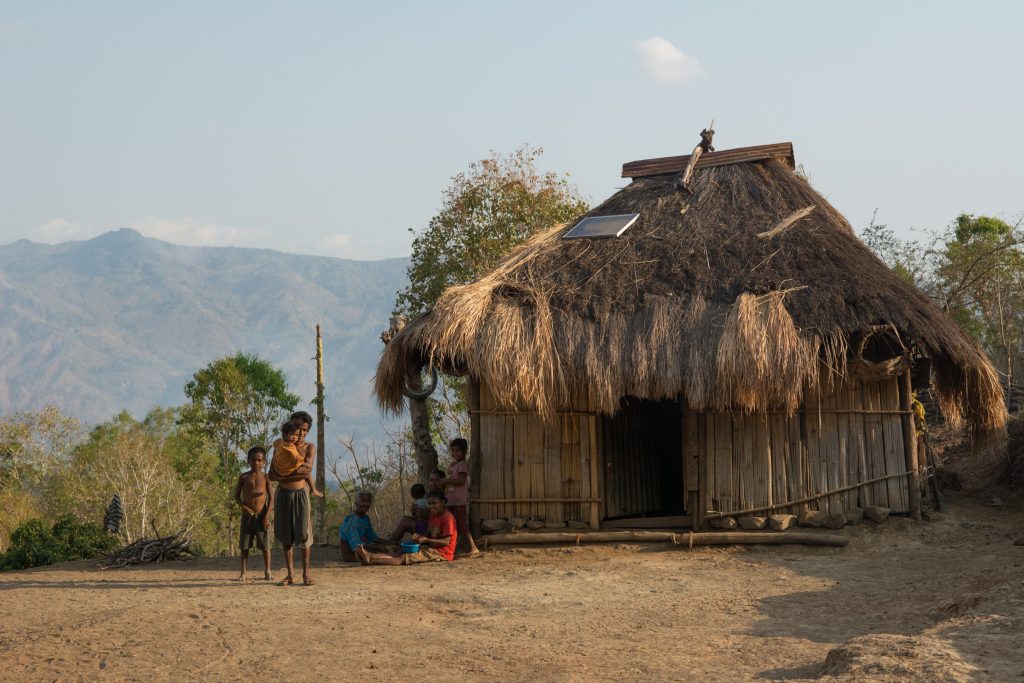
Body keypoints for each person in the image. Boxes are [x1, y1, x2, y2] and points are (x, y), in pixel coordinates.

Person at [268, 415, 318, 586]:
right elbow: (271, 474)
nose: (301, 433)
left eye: (305, 430)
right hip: (283, 494)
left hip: (300, 494)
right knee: (286, 535)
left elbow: (306, 473)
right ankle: (290, 574)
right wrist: (290, 475)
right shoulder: (280, 447)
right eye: (298, 429)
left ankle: (306, 575)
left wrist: (283, 476)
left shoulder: (309, 448)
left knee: (304, 535)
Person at [356, 490, 457, 566]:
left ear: (443, 502)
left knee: (403, 558)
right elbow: (428, 532)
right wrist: (419, 539)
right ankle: (370, 556)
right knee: (400, 551)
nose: (431, 506)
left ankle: (370, 559)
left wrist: (426, 540)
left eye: (434, 503)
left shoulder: (447, 518)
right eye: (429, 504)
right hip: (433, 548)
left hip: (443, 553)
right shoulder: (434, 516)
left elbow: (446, 542)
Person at [234, 447, 274, 581]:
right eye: (253, 460)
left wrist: (267, 516)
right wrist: (243, 506)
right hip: (247, 517)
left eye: (259, 460)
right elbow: (237, 496)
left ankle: (268, 571)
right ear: (248, 461)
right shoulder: (244, 477)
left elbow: (272, 498)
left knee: (265, 545)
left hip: (262, 516)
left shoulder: (266, 477)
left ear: (264, 462)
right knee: (245, 546)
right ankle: (243, 572)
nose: (256, 462)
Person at [436, 438, 481, 557]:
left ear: (465, 451)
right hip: (450, 500)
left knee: (462, 524)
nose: (455, 453)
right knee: (452, 525)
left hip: (458, 501)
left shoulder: (462, 464)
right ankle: (452, 547)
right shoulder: (452, 465)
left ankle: (473, 547)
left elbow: (461, 480)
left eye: (458, 451)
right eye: (453, 451)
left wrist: (446, 480)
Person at [270, 420, 323, 498]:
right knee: (308, 473)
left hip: (281, 472)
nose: (296, 436)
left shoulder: (280, 442)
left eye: (296, 434)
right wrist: (302, 464)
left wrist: (280, 478)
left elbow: (274, 444)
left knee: (306, 472)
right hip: (283, 489)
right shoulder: (291, 446)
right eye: (292, 434)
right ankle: (313, 490)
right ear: (285, 434)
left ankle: (313, 490)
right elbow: (298, 460)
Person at [338, 490, 389, 562]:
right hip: (351, 556)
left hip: (364, 551)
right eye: (362, 501)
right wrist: (378, 547)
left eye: (368, 501)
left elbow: (373, 538)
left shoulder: (365, 518)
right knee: (388, 557)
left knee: (391, 551)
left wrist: (389, 542)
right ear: (356, 503)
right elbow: (357, 546)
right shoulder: (352, 520)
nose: (365, 504)